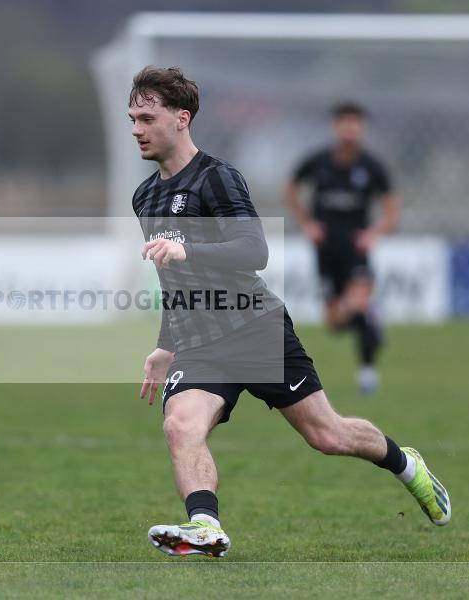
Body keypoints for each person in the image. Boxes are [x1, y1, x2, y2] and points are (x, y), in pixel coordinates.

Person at [129, 66, 448, 558]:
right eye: (132, 118)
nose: (136, 129)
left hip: (256, 329)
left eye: (147, 117)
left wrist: (188, 249)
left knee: (329, 435)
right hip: (201, 342)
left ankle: (407, 465)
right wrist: (165, 344)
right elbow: (174, 280)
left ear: (182, 119)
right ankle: (206, 526)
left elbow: (254, 251)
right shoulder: (145, 196)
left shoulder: (217, 178)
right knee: (180, 424)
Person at [285, 103, 400, 394]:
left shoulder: (372, 167)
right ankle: (372, 320)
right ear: (335, 126)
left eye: (355, 123)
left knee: (357, 303)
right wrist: (307, 223)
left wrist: (373, 234)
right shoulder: (318, 161)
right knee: (337, 322)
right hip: (325, 251)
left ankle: (368, 374)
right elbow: (290, 189)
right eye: (344, 122)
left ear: (362, 128)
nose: (350, 129)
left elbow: (391, 214)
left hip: (355, 250)